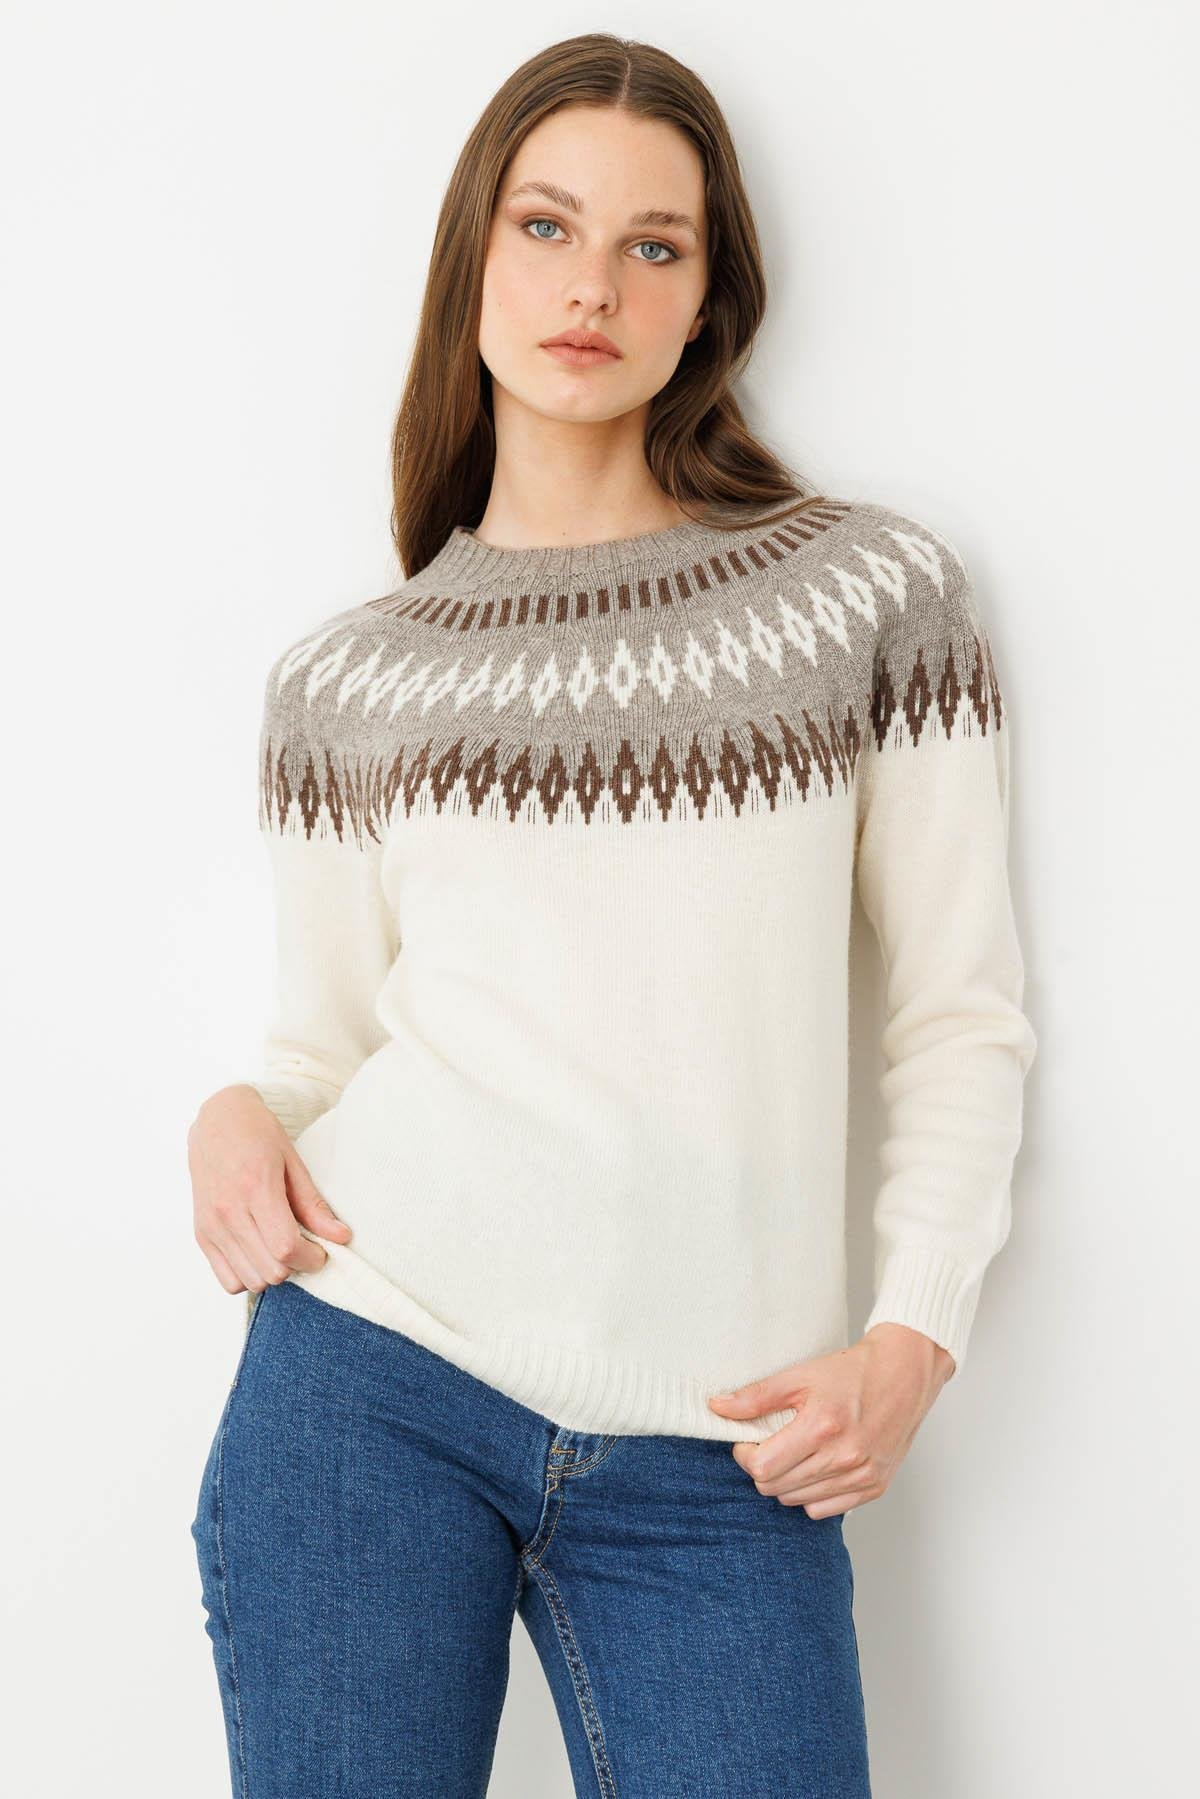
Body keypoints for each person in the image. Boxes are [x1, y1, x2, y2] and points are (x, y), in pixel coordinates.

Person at [187, 31, 1036, 1799]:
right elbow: (317, 1048)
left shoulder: (867, 597)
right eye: (548, 226)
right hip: (369, 1382)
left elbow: (958, 1013)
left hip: (725, 1451)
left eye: (656, 244)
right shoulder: (346, 681)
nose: (594, 287)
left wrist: (915, 1335)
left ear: (709, 296)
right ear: (474, 256)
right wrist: (231, 1116)